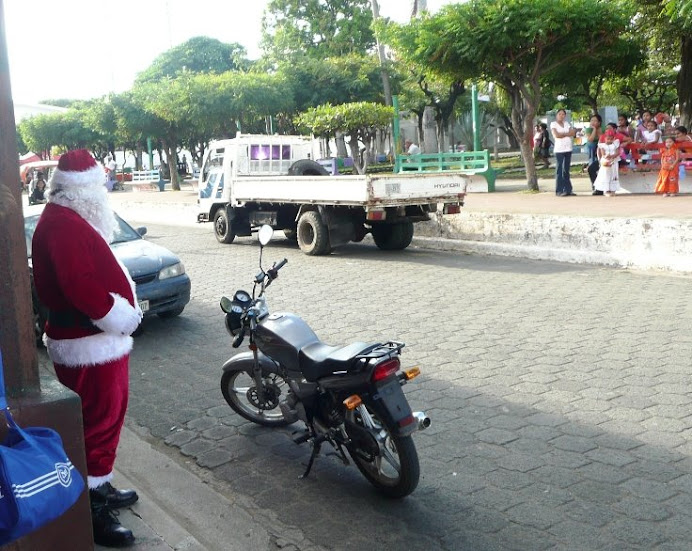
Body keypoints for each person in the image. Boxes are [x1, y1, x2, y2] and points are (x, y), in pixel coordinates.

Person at [31, 149, 142, 548]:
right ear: (84, 189)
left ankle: (102, 484)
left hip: (95, 342)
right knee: (96, 425)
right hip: (88, 343)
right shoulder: (63, 224)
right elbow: (79, 285)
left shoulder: (68, 217)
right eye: (100, 185)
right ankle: (92, 508)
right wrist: (119, 316)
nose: (105, 192)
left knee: (107, 419)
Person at [550, 108, 577, 196]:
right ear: (557, 115)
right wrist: (567, 134)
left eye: (563, 114)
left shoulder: (566, 123)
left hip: (568, 149)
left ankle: (568, 189)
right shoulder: (553, 124)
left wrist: (564, 134)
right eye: (560, 114)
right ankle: (559, 190)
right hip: (559, 150)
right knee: (559, 169)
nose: (561, 116)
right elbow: (556, 135)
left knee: (566, 170)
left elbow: (572, 133)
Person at [593, 129, 621, 197]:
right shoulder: (603, 145)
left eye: (611, 139)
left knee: (613, 175)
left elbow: (617, 152)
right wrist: (607, 157)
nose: (609, 140)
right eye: (608, 139)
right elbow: (603, 154)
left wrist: (612, 156)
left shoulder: (615, 144)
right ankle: (606, 190)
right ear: (605, 138)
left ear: (613, 138)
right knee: (606, 175)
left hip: (614, 161)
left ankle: (613, 189)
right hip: (606, 161)